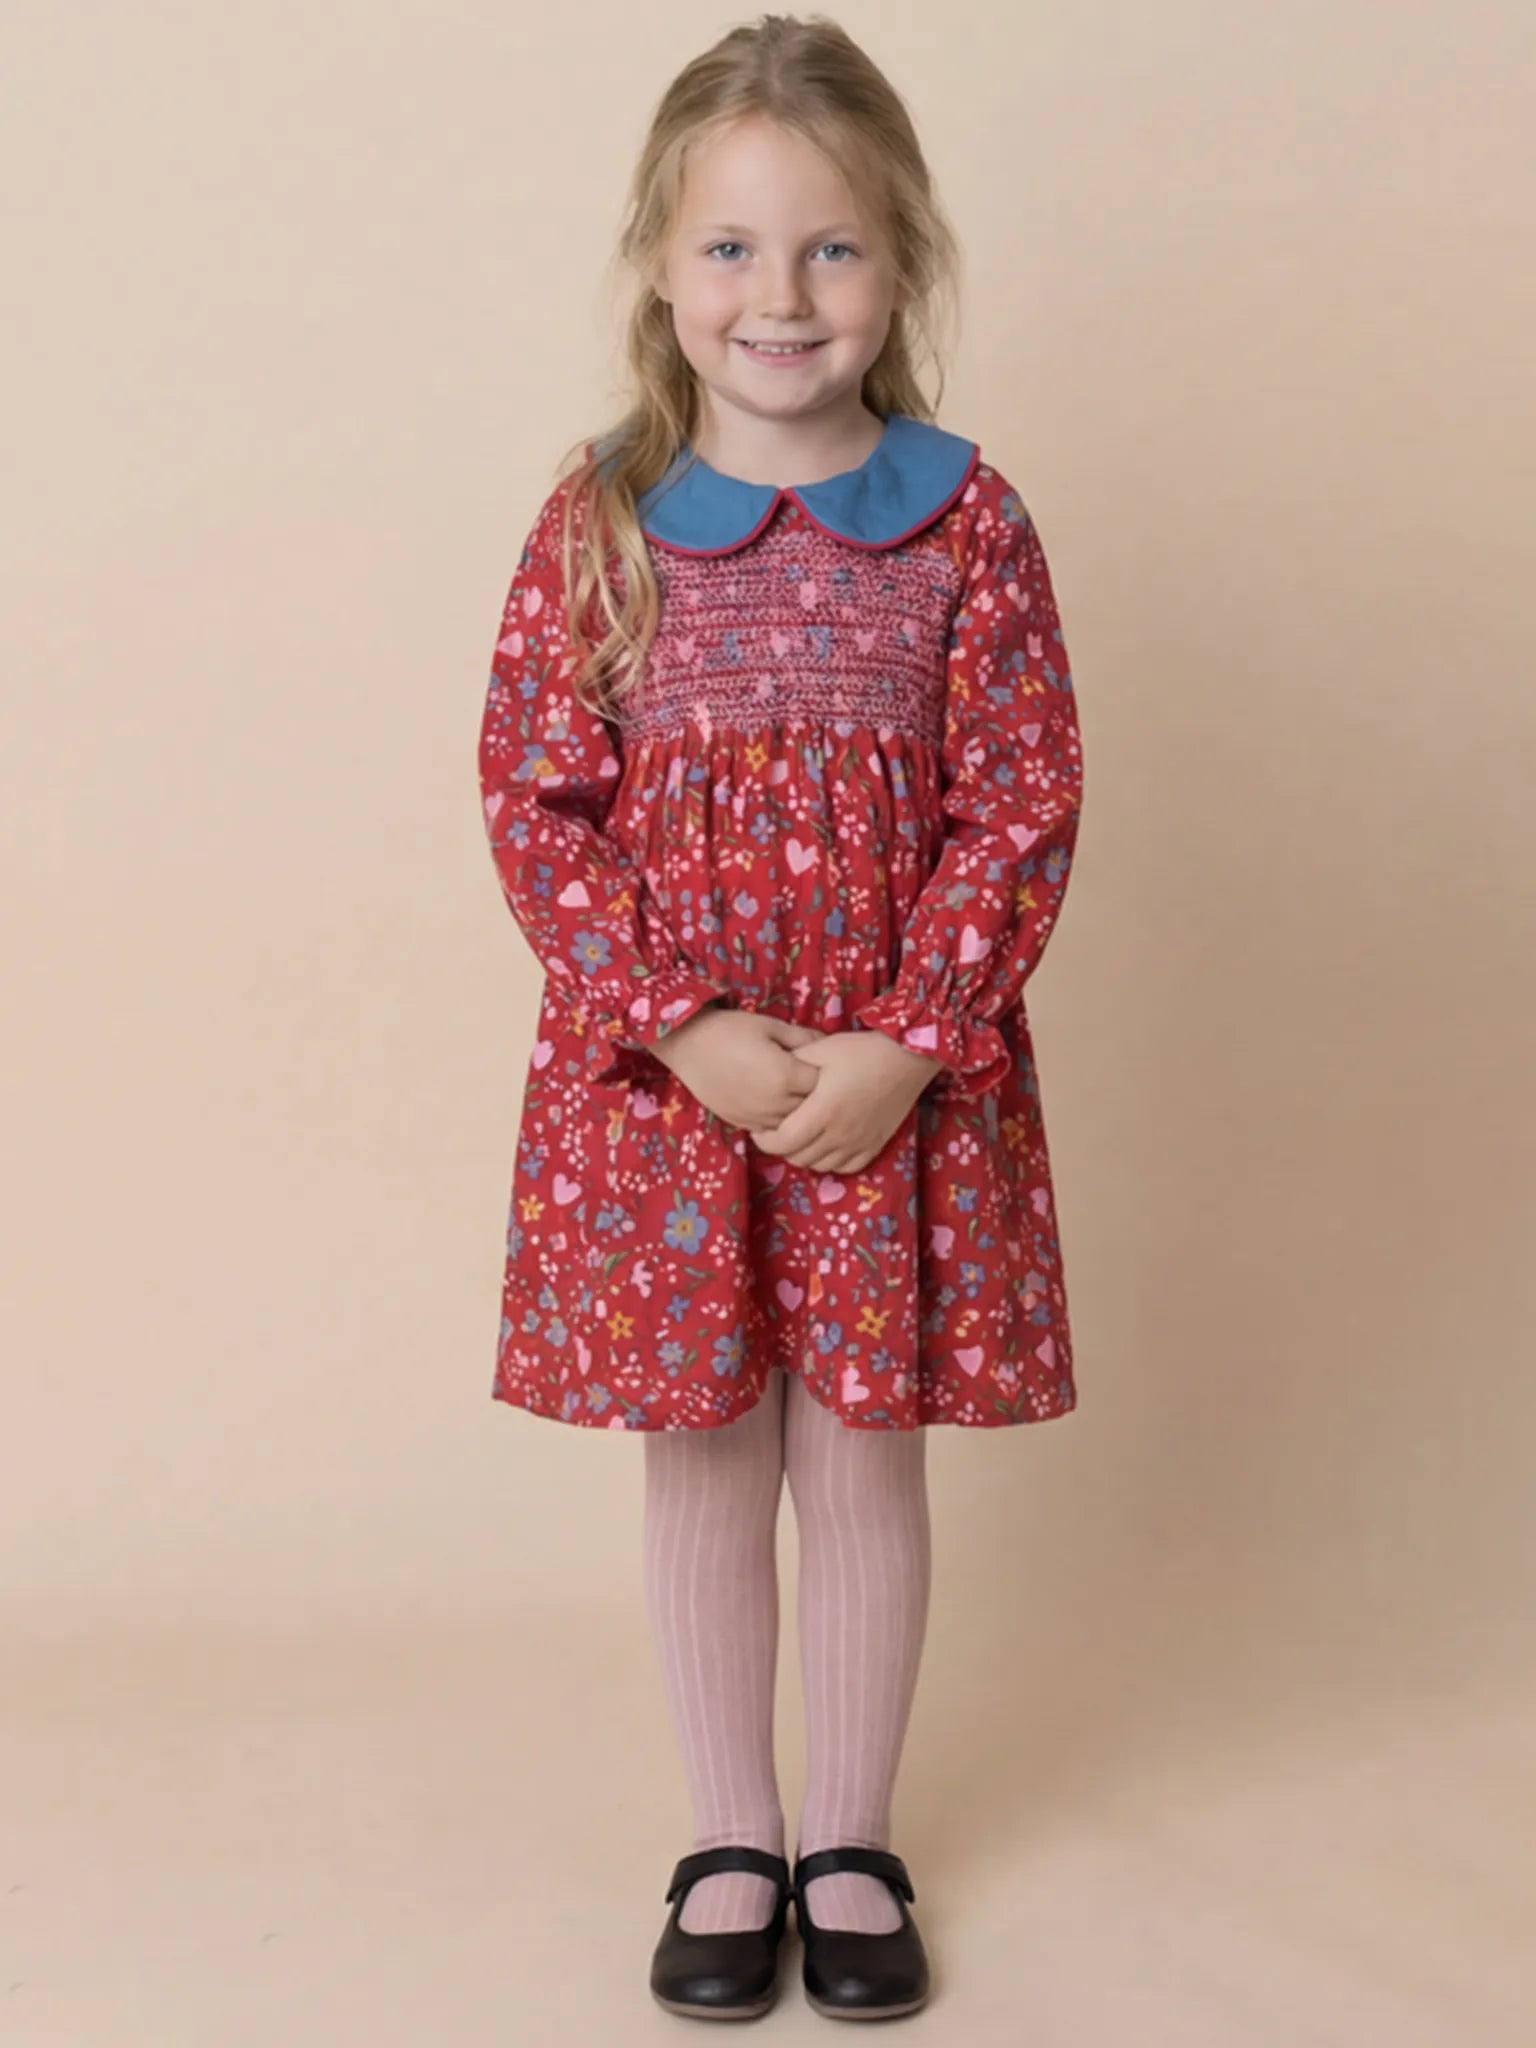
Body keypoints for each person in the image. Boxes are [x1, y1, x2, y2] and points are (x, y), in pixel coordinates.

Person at [475, 13, 1085, 2024]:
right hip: (676, 1098)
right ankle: (730, 1830)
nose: (780, 296)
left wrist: (911, 1038)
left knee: (864, 1462)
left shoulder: (968, 523)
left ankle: (848, 1829)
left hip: (891, 1093)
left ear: (901, 263)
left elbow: (1022, 795)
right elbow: (534, 804)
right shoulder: (604, 523)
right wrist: (682, 1024)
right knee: (708, 1454)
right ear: (658, 262)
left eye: (830, 249)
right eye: (731, 249)